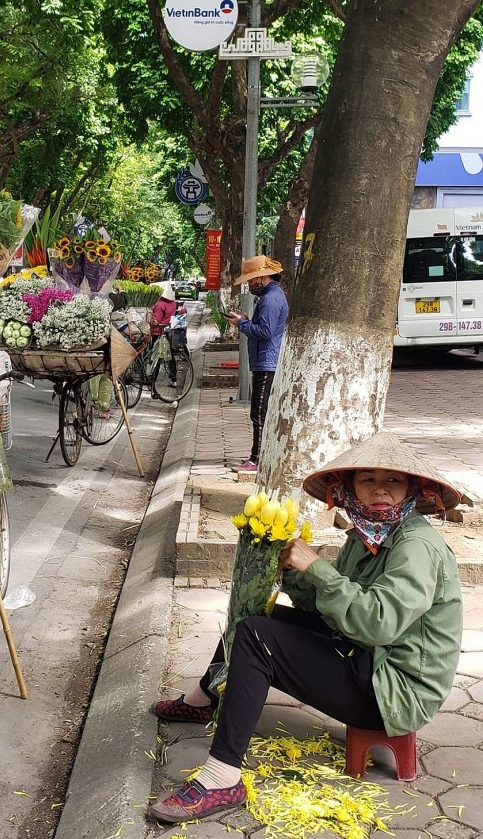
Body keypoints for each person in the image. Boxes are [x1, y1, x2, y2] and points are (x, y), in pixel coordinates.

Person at [149, 431, 463, 824]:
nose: (380, 490)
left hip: (393, 690)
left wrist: (317, 568)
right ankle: (205, 699)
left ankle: (221, 777)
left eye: (393, 481)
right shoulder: (365, 536)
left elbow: (376, 624)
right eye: (367, 480)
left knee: (257, 638)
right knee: (256, 620)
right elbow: (334, 611)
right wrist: (295, 574)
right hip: (366, 657)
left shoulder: (415, 546)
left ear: (412, 489)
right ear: (349, 489)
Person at [225, 255, 288, 473]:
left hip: (266, 363)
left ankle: (257, 458)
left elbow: (265, 332)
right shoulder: (272, 296)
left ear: (263, 277)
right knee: (261, 412)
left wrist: (241, 324)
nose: (250, 285)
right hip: (264, 360)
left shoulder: (271, 299)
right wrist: (246, 321)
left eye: (252, 280)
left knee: (259, 413)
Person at [151, 282, 186, 389]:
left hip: (157, 333)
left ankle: (152, 380)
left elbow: (155, 321)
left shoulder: (160, 304)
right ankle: (174, 379)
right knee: (169, 357)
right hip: (168, 332)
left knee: (156, 357)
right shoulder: (172, 303)